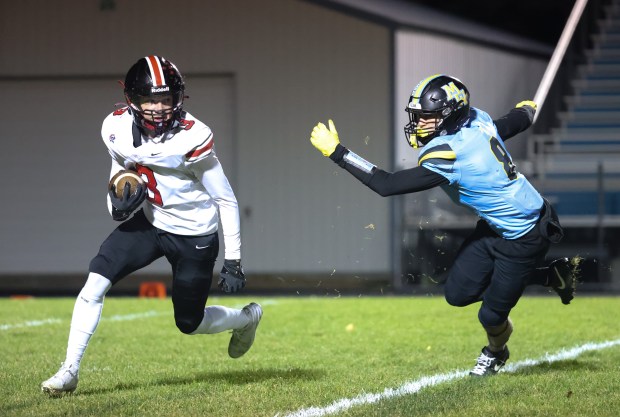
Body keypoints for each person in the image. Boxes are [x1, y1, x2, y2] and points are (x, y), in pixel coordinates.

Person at [309, 74, 577, 376]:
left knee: (490, 315)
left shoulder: (450, 154)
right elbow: (511, 123)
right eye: (419, 117)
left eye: (427, 117)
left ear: (450, 116)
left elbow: (386, 184)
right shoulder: (476, 120)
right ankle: (550, 275)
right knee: (458, 293)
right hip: (495, 226)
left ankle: (495, 353)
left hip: (525, 233)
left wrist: (338, 153)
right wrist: (526, 111)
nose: (420, 124)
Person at [41, 55, 262, 396]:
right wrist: (115, 203)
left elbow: (225, 199)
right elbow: (119, 168)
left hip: (194, 234)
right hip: (151, 222)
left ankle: (246, 319)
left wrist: (233, 260)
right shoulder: (114, 127)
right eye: (149, 98)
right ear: (132, 99)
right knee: (96, 280)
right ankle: (69, 371)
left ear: (178, 99)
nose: (158, 107)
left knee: (189, 323)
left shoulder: (193, 136)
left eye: (165, 98)